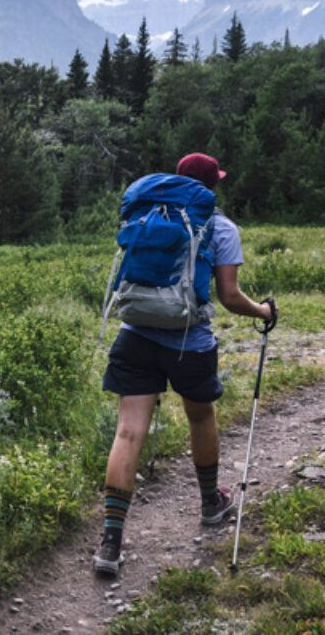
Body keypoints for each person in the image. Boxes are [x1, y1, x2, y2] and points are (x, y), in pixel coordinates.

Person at [94, 152, 276, 575]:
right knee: (200, 418)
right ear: (211, 186)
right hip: (189, 343)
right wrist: (265, 313)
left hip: (134, 333)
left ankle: (110, 542)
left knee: (127, 431)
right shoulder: (221, 226)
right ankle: (212, 503)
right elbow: (230, 298)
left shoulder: (147, 214)